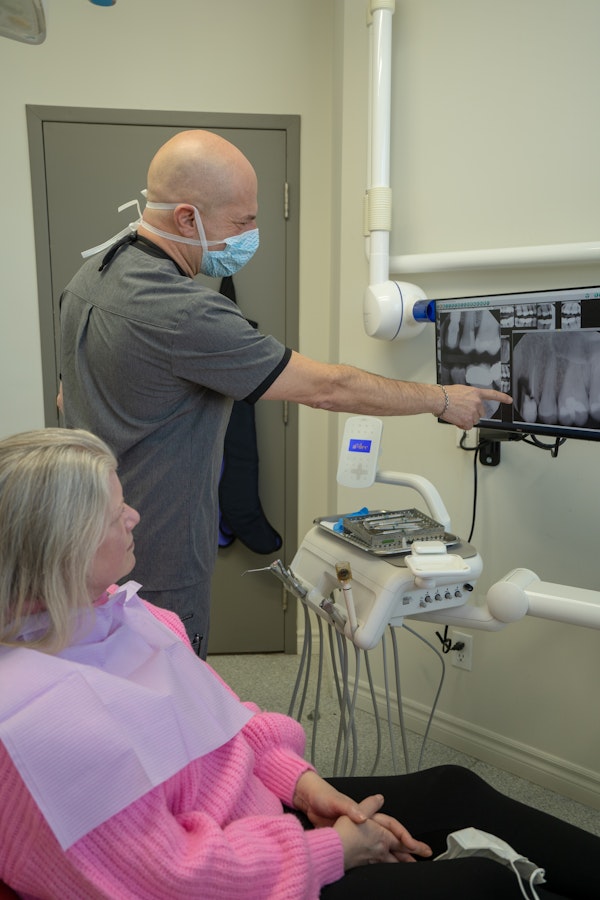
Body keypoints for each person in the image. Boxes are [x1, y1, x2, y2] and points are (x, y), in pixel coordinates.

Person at [0, 427, 597, 900]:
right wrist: (336, 851)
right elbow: (174, 881)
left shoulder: (129, 617)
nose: (133, 516)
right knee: (482, 883)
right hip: (232, 877)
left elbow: (231, 725)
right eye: (113, 514)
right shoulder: (40, 729)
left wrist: (308, 789)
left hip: (252, 816)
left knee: (450, 788)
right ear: (63, 546)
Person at [59, 128, 512, 655]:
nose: (253, 233)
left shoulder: (92, 276)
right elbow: (328, 388)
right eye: (243, 221)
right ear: (187, 218)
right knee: (168, 703)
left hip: (86, 540)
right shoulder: (183, 312)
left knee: (109, 687)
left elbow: (66, 400)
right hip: (157, 556)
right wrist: (443, 399)